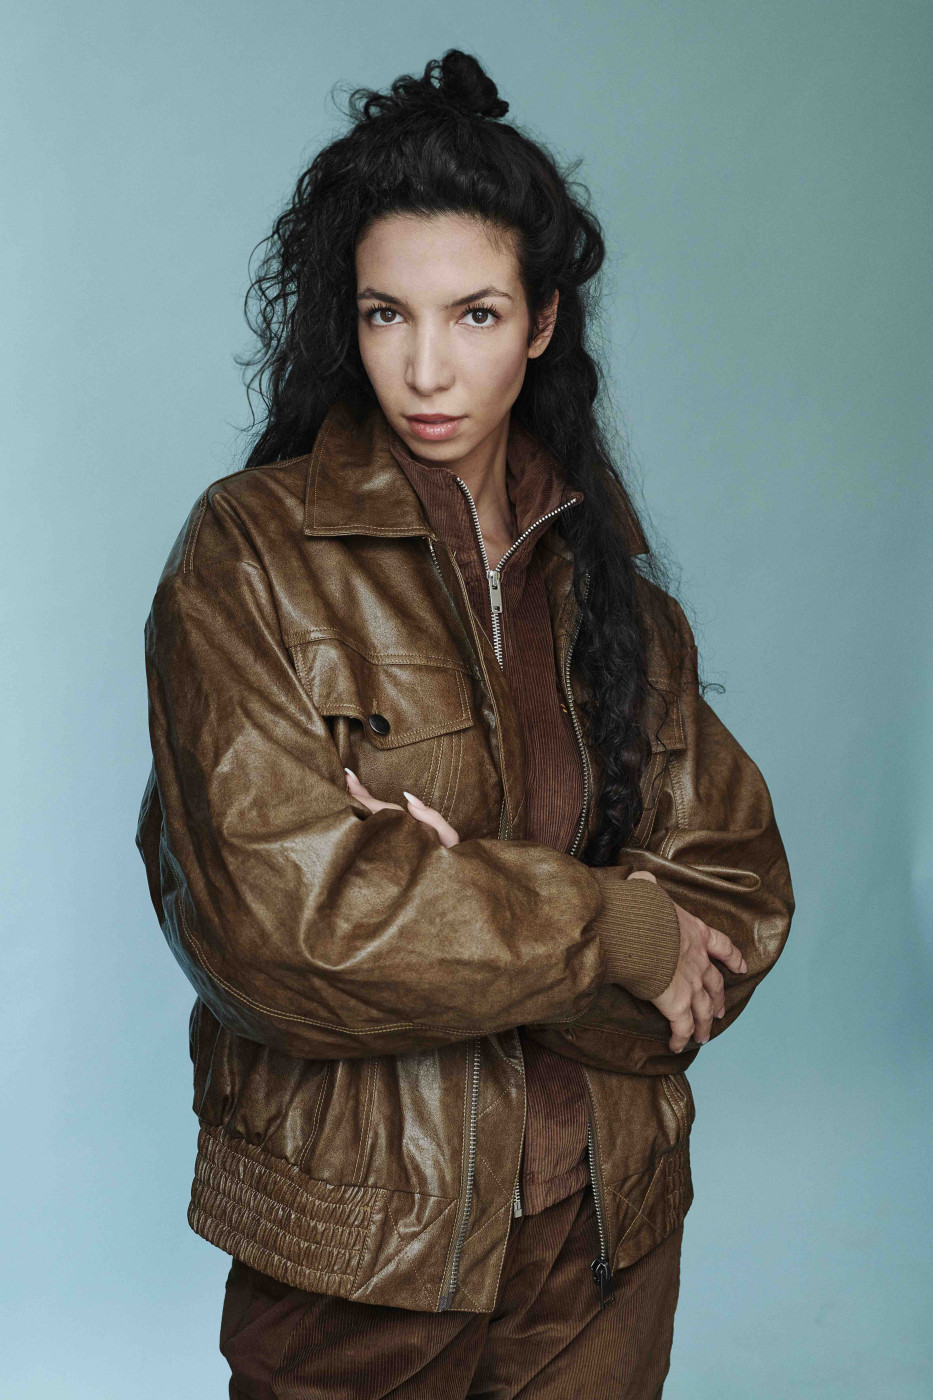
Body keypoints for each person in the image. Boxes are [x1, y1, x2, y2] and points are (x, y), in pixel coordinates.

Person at [136, 48, 794, 1399]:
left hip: (607, 1241)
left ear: (542, 323)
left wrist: (448, 899)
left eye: (475, 314)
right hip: (360, 1255)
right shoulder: (249, 556)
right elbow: (278, 932)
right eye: (387, 314)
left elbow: (734, 903)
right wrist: (619, 927)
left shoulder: (614, 596)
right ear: (349, 319)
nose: (426, 368)